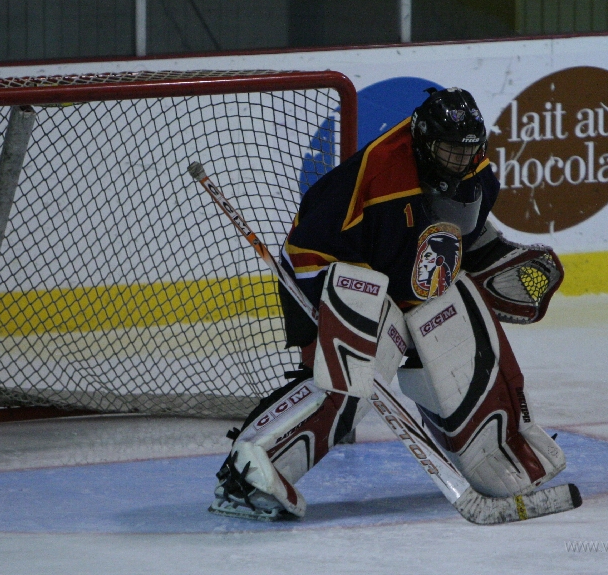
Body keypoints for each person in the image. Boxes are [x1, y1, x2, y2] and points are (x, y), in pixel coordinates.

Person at [210, 87, 566, 521]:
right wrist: (333, 317)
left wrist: (493, 255)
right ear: (423, 140)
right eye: (449, 150)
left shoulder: (477, 174)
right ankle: (248, 473)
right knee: (353, 376)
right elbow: (306, 249)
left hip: (405, 289)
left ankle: (500, 454)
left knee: (462, 321)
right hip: (337, 279)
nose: (459, 160)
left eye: (466, 150)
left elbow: (455, 239)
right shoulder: (375, 174)